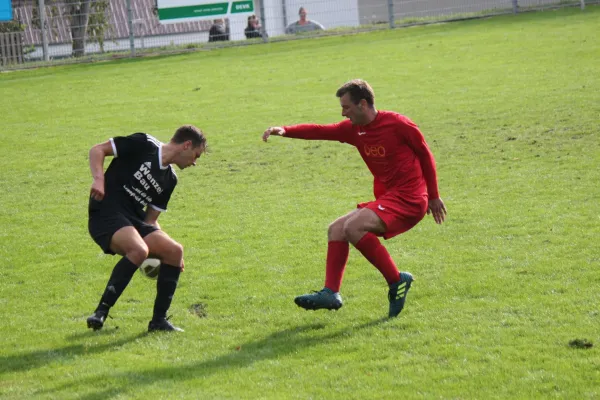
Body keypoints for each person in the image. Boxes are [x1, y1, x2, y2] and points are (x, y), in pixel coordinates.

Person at [262, 79, 446, 318]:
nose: (343, 112)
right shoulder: (353, 130)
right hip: (389, 198)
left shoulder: (398, 124)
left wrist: (433, 196)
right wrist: (286, 131)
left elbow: (425, 154)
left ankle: (396, 280)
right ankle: (331, 293)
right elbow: (320, 131)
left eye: (346, 107)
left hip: (410, 199)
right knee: (336, 229)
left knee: (353, 226)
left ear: (362, 104)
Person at [86, 125, 207, 332]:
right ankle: (101, 312)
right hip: (106, 212)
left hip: (133, 220)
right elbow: (97, 150)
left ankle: (158, 322)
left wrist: (166, 249)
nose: (195, 162)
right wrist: (99, 179)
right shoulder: (144, 144)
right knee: (139, 249)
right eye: (196, 155)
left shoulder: (170, 179)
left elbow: (150, 221)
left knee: (175, 251)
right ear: (186, 145)